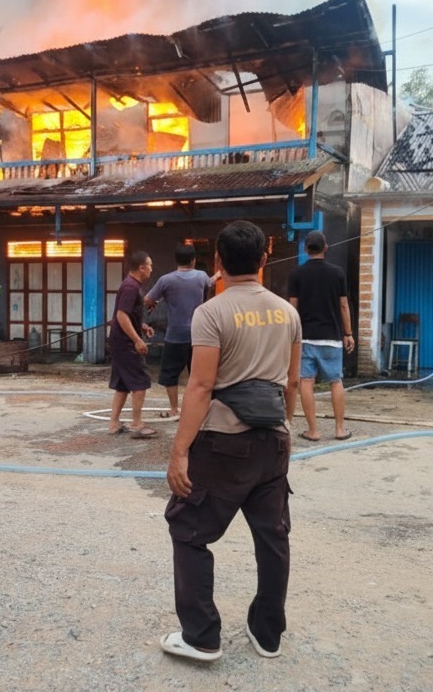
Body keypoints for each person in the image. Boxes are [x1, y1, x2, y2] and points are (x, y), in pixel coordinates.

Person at [161, 220, 302, 662]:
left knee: (188, 529)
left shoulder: (213, 313)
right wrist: (288, 429)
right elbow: (293, 382)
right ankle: (268, 633)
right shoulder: (287, 312)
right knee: (273, 537)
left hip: (223, 442)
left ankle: (201, 636)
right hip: (273, 440)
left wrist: (179, 450)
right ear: (264, 260)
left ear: (218, 261)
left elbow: (201, 386)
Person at [287, 230, 354, 442]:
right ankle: (340, 429)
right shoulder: (337, 273)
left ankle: (313, 431)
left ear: (306, 249)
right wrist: (348, 334)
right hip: (331, 338)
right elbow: (344, 305)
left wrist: (292, 337)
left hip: (305, 338)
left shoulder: (296, 274)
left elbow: (293, 308)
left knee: (306, 382)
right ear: (325, 248)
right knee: (336, 381)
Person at [144, 243, 213, 420]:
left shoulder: (166, 280)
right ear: (193, 260)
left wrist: (156, 302)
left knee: (170, 375)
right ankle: (201, 410)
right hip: (198, 336)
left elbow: (148, 300)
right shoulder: (202, 276)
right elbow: (208, 288)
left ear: (176, 260)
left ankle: (175, 409)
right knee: (198, 375)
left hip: (174, 335)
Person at [107, 250, 157, 438]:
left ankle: (113, 423)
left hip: (120, 340)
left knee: (122, 383)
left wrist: (142, 326)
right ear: (141, 267)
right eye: (150, 265)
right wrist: (137, 340)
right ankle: (136, 424)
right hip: (125, 343)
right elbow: (121, 315)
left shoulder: (132, 285)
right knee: (140, 381)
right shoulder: (130, 287)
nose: (151, 269)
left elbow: (128, 314)